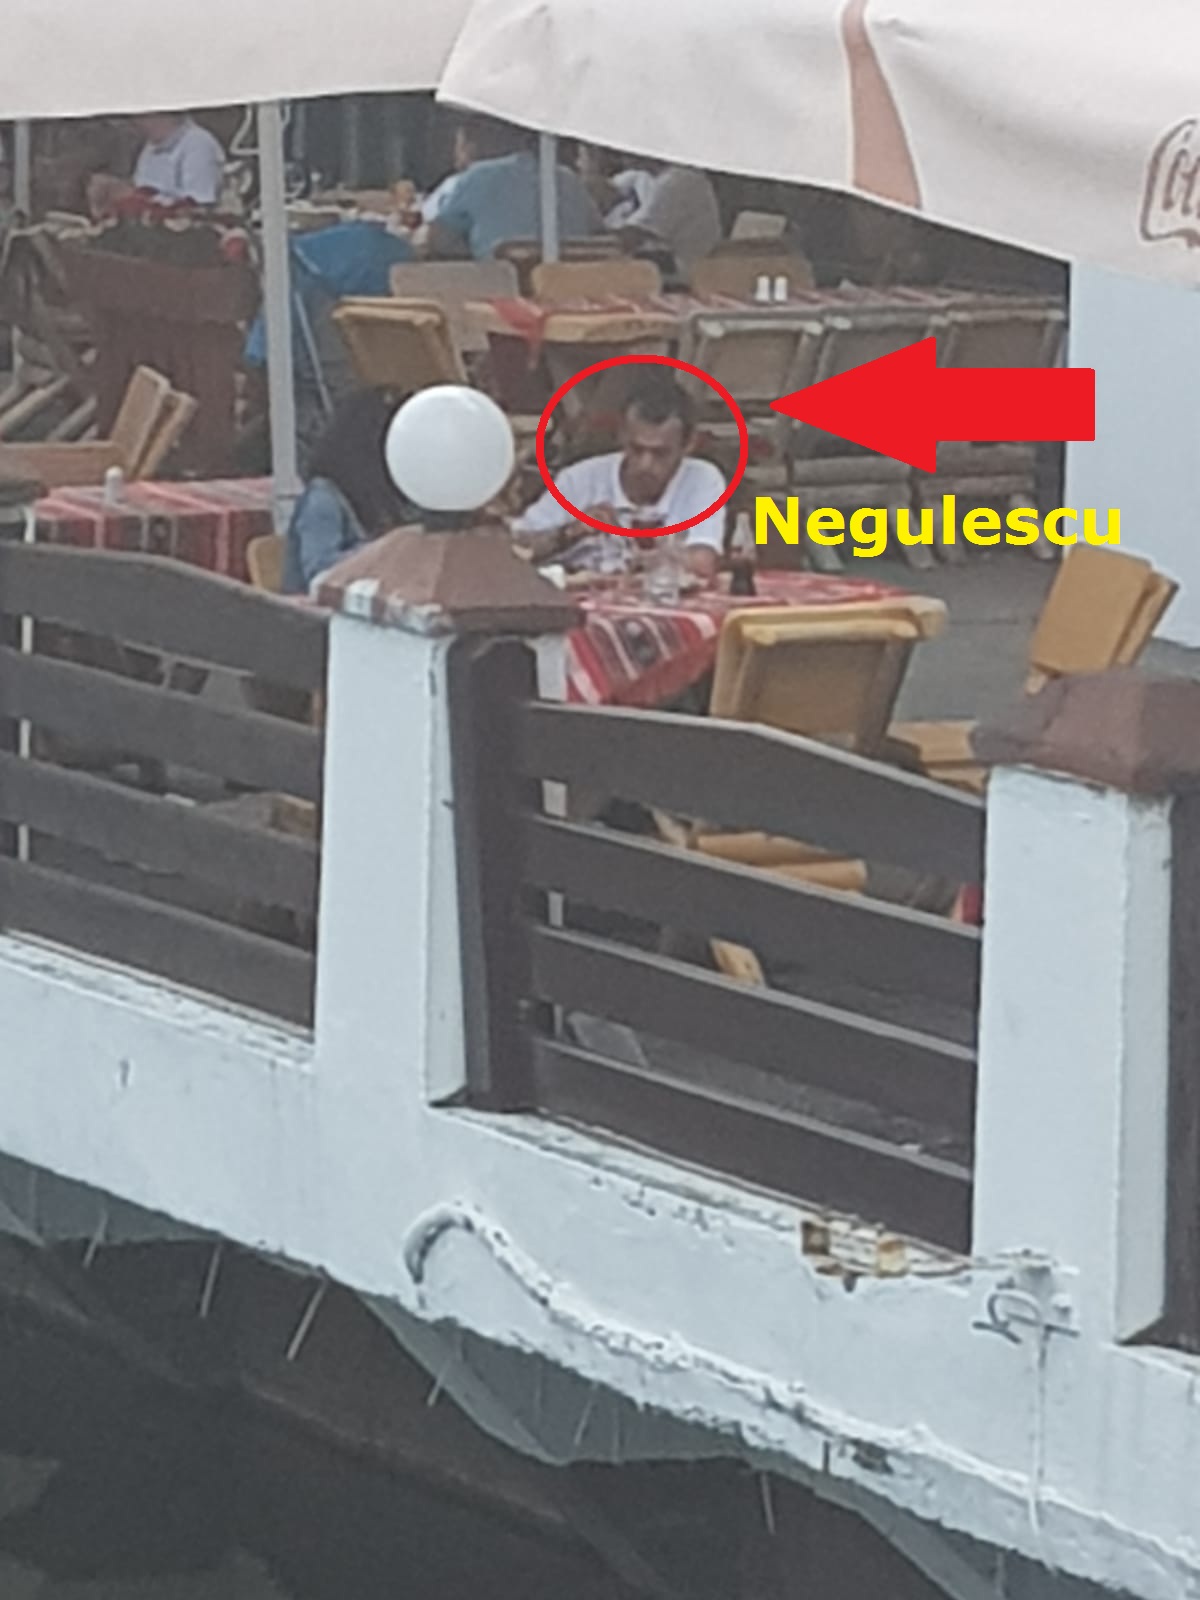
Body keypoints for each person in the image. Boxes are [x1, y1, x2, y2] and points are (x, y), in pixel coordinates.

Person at [513, 377, 726, 582]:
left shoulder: (702, 479)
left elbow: (703, 563)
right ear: (621, 436)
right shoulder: (579, 479)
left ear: (688, 445)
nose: (645, 464)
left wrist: (644, 555)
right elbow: (514, 546)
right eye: (636, 449)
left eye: (660, 453)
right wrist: (568, 533)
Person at [282, 389, 407, 594]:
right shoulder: (322, 499)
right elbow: (318, 571)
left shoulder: (380, 496)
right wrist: (382, 551)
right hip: (315, 610)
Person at [424, 116, 602, 260]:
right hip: (570, 285)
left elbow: (440, 240)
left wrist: (475, 253)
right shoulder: (569, 180)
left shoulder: (476, 177)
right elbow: (597, 234)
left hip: (498, 285)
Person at [88, 112, 225, 214]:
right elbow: (143, 190)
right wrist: (114, 190)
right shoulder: (150, 148)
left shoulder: (199, 144)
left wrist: (131, 197)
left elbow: (199, 210)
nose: (135, 123)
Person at [611, 162, 723, 274]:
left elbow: (631, 236)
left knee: (614, 267)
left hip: (684, 271)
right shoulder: (672, 177)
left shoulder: (677, 180)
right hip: (691, 265)